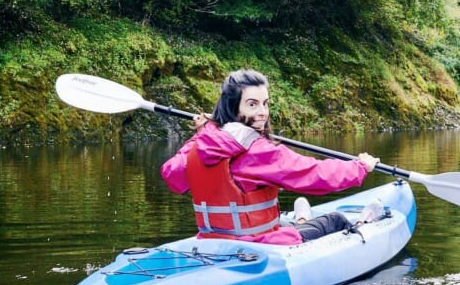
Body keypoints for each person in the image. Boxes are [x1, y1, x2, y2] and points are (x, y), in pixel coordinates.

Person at [160, 69, 380, 245]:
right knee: (337, 220)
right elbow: (316, 175)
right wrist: (360, 167)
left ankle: (301, 218)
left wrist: (203, 132)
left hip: (213, 241)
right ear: (232, 107)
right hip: (260, 244)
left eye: (265, 103)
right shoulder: (258, 151)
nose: (263, 112)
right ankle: (353, 221)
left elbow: (172, 175)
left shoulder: (199, 145)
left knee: (285, 222)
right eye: (252, 104)